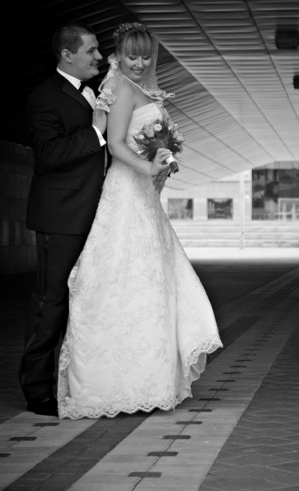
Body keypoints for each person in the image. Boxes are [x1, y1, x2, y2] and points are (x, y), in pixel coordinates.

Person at [57, 21, 222, 419]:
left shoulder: (144, 90)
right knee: (124, 278)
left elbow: (149, 143)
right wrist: (148, 168)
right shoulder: (119, 87)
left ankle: (151, 379)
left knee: (154, 280)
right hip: (125, 191)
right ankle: (113, 382)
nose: (140, 63)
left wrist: (163, 160)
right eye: (132, 56)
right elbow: (115, 145)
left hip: (146, 195)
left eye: (146, 57)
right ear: (119, 55)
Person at [19, 23, 108, 417]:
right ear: (67, 55)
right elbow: (50, 154)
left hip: (99, 214)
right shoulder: (43, 97)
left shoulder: (96, 92)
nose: (99, 56)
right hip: (61, 216)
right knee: (51, 301)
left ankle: (77, 382)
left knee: (88, 302)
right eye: (91, 50)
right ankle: (37, 389)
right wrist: (96, 132)